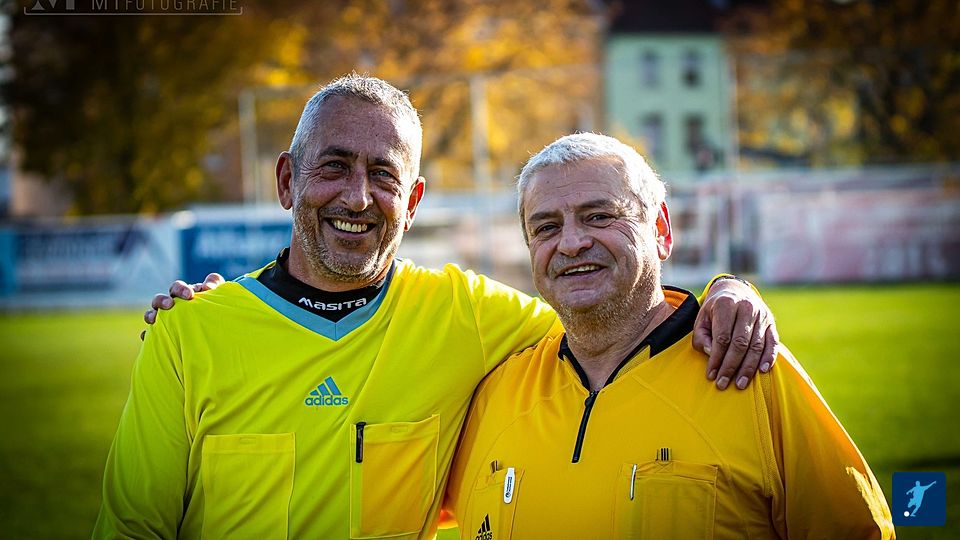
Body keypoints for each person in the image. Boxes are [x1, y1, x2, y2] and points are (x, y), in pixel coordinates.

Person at [93, 75, 778, 539]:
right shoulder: (190, 334)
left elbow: (618, 314)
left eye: (384, 175)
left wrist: (729, 289)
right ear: (287, 180)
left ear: (413, 202)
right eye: (334, 167)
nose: (358, 197)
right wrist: (209, 312)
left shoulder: (468, 314)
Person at [444, 133, 894, 538]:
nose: (571, 242)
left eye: (599, 216)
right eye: (546, 227)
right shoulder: (494, 395)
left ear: (660, 229)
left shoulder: (749, 371)